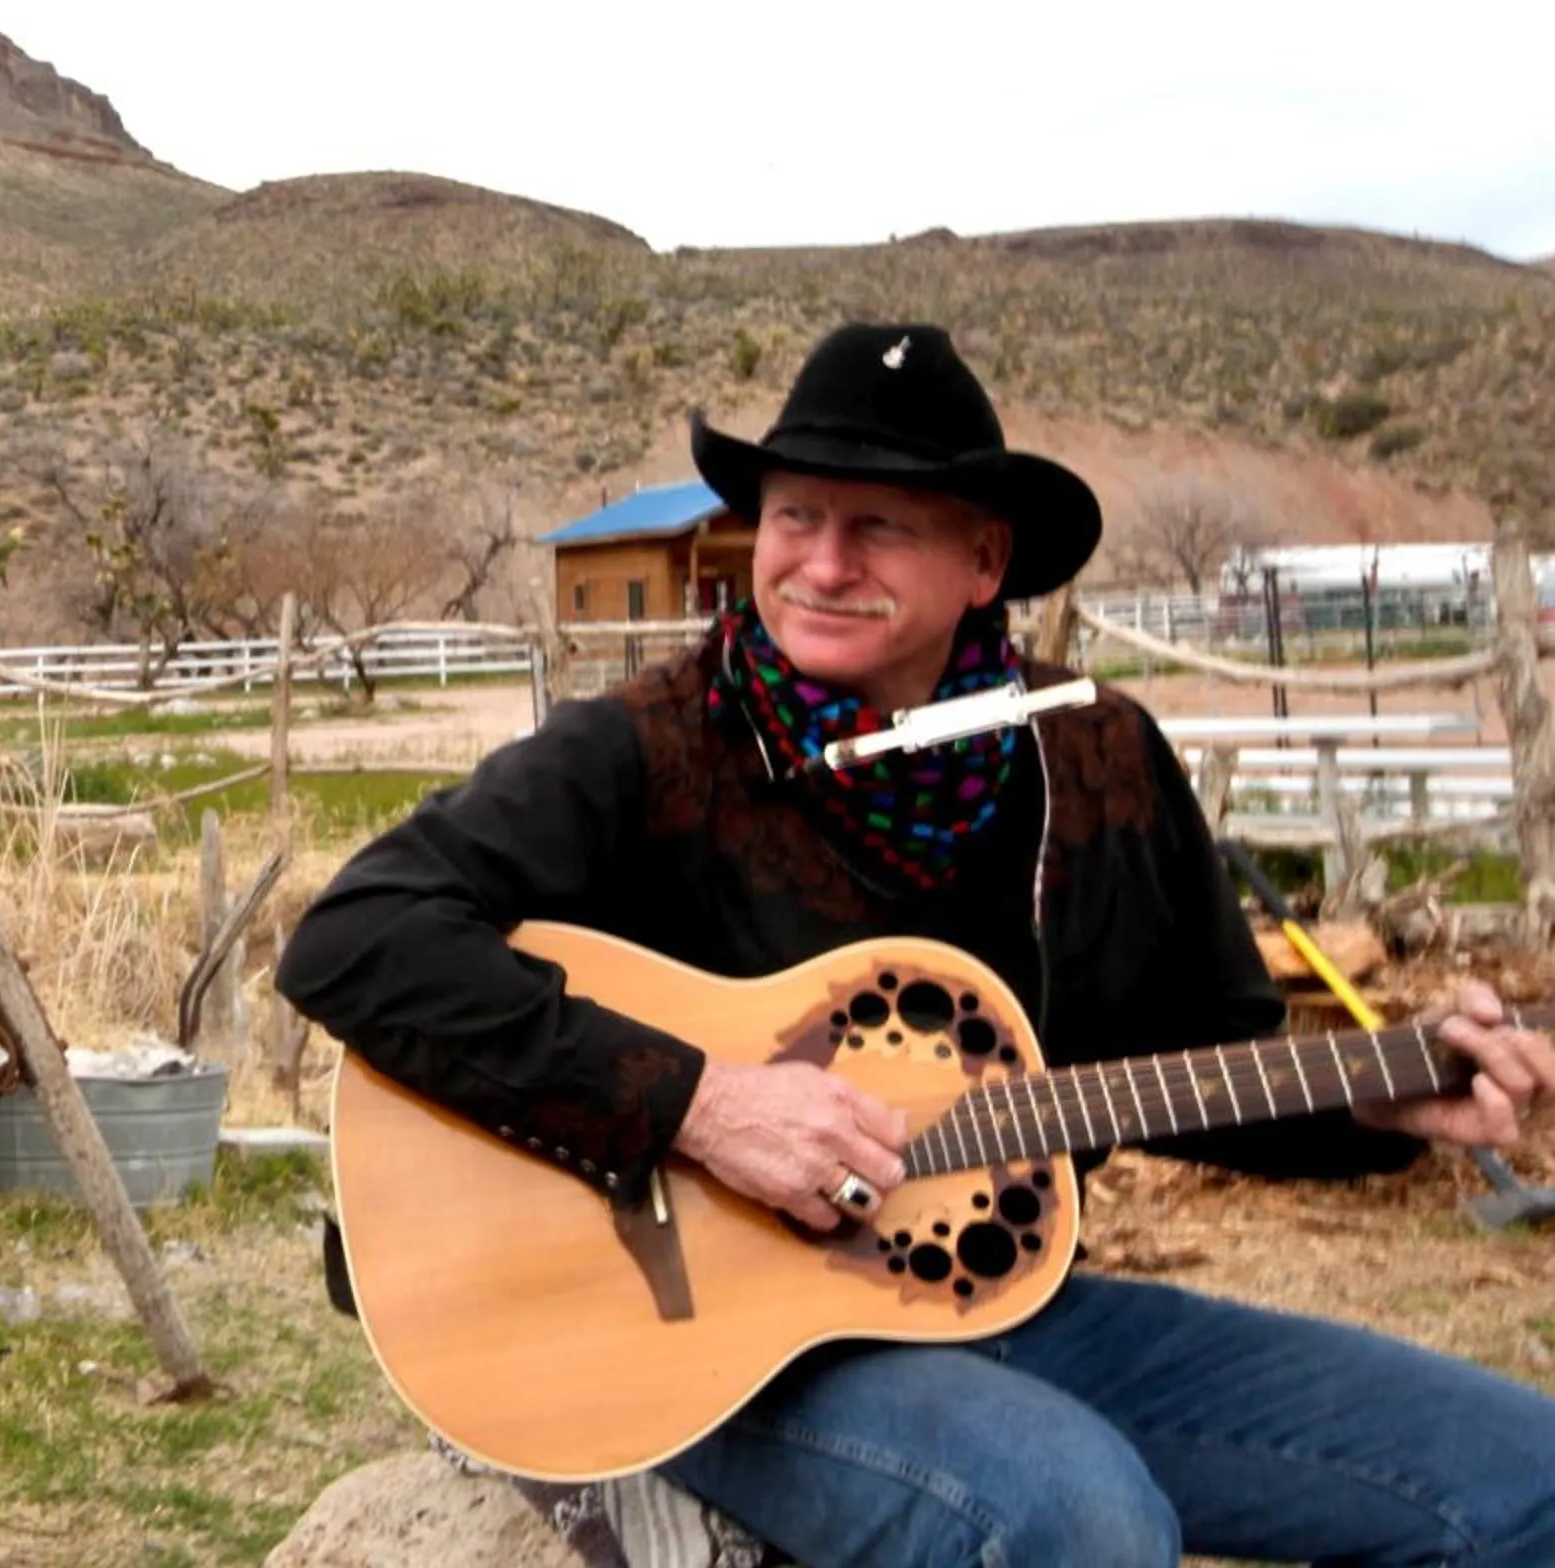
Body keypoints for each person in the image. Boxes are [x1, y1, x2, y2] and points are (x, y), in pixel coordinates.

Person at [277, 321, 1555, 1568]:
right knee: (1077, 1522)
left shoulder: (1095, 756)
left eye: (878, 522)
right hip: (713, 1344)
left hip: (992, 1296)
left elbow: (1201, 1062)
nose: (822, 562)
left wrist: (1382, 1103)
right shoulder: (652, 744)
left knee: (1519, 1479)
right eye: (794, 515)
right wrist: (704, 1103)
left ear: (985, 559)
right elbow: (357, 936)